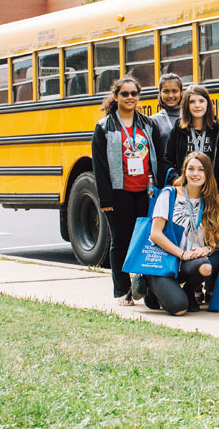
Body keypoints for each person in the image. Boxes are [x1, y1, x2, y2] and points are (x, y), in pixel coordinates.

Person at [91, 76, 161, 306]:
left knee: (146, 240)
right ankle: (121, 290)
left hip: (145, 191)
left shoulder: (148, 124)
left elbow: (156, 158)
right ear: (116, 97)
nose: (130, 98)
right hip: (119, 192)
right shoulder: (104, 127)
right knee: (120, 241)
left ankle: (146, 288)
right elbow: (99, 166)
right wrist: (105, 198)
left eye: (134, 94)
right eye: (125, 94)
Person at [143, 152, 219, 315]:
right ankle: (149, 283)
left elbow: (215, 238)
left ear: (208, 173)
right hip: (165, 259)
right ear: (185, 171)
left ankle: (189, 290)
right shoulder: (170, 194)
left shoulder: (210, 199)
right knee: (180, 309)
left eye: (201, 170)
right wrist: (182, 254)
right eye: (191, 169)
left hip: (189, 261)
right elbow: (155, 234)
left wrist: (207, 249)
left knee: (207, 266)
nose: (195, 174)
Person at [162, 84, 219, 193]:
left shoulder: (218, 132)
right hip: (185, 189)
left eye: (201, 101)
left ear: (208, 103)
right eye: (192, 102)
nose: (197, 105)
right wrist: (176, 180)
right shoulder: (178, 130)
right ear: (186, 105)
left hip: (211, 190)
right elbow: (167, 159)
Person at [150, 73, 183, 155]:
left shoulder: (189, 116)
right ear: (160, 93)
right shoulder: (153, 121)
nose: (171, 95)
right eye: (166, 91)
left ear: (181, 92)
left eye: (175, 91)